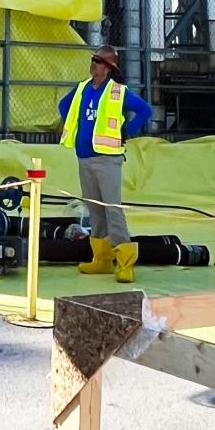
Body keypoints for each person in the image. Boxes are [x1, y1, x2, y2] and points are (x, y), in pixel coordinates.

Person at [57, 45, 152, 284]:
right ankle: (102, 260)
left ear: (108, 68)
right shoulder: (81, 89)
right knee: (95, 210)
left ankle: (125, 262)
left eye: (98, 61)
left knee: (112, 209)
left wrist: (126, 131)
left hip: (107, 159)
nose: (93, 64)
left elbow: (144, 110)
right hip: (85, 158)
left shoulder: (118, 92)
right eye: (93, 59)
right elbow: (63, 106)